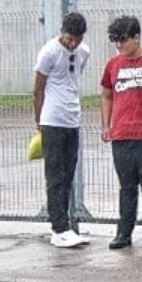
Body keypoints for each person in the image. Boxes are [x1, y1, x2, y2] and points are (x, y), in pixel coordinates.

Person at [100, 16, 142, 250]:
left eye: (123, 41)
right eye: (116, 42)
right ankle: (123, 233)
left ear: (137, 37)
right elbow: (106, 94)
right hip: (121, 136)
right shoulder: (113, 65)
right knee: (127, 187)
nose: (119, 46)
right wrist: (106, 125)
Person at [33, 12, 91, 248]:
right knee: (55, 176)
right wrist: (39, 120)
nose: (72, 44)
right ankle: (58, 228)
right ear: (62, 33)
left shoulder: (84, 52)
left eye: (76, 39)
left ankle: (67, 225)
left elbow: (74, 79)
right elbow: (38, 88)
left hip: (72, 119)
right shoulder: (49, 52)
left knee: (68, 174)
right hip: (52, 120)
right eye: (69, 39)